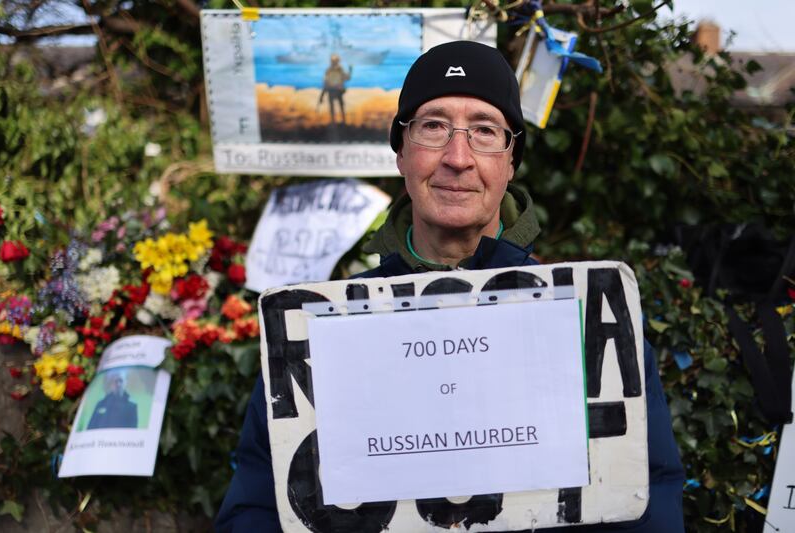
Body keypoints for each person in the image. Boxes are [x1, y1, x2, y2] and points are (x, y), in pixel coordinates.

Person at [216, 41, 684, 532]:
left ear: (510, 161)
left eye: (483, 130)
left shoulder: (588, 320)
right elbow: (258, 506)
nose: (457, 157)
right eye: (433, 127)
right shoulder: (320, 329)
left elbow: (644, 497)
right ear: (401, 153)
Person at [318, 54, 352, 126]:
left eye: (335, 61)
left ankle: (341, 122)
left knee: (339, 107)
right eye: (334, 61)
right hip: (334, 90)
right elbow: (326, 82)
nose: (334, 62)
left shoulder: (337, 70)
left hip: (336, 91)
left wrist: (350, 70)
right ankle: (338, 122)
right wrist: (322, 96)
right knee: (335, 107)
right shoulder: (331, 70)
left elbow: (347, 78)